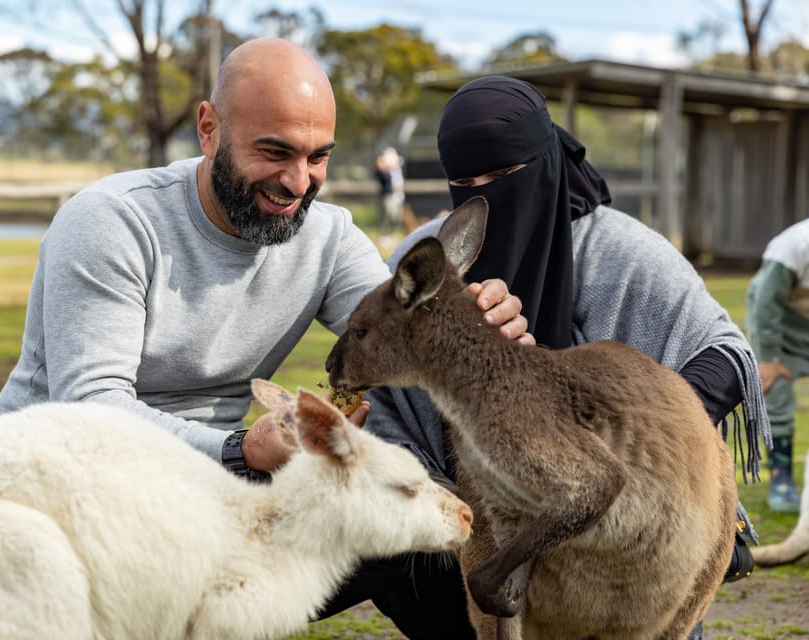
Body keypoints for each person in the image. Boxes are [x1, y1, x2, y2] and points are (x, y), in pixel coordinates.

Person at [0, 37, 526, 555]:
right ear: (208, 130)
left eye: (318, 158)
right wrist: (240, 451)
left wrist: (475, 327)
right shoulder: (113, 222)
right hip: (53, 484)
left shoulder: (328, 236)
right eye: (275, 152)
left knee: (425, 539)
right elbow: (91, 408)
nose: (297, 183)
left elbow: (402, 330)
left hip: (210, 487)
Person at [327, 75, 770, 640]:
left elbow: (730, 356)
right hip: (495, 519)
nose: (482, 191)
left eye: (503, 175)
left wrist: (607, 411)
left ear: (544, 158)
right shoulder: (438, 255)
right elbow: (388, 385)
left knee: (700, 470)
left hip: (627, 512)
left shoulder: (616, 248)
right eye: (463, 180)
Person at [746, 218, 809, 512]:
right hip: (778, 328)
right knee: (776, 391)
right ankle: (780, 477)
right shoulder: (795, 247)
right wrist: (769, 359)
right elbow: (765, 304)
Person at [374, 146, 405, 237]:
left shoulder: (396, 169)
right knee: (389, 215)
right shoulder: (383, 172)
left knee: (396, 216)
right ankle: (385, 234)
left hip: (397, 195)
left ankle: (391, 234)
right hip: (388, 195)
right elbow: (382, 175)